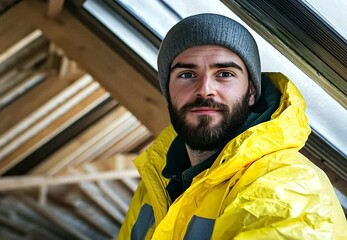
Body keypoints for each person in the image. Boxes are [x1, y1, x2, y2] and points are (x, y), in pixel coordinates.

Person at [118, 13, 347, 239]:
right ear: (168, 91)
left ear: (251, 93)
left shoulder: (292, 191)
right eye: (187, 74)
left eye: (224, 74)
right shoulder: (158, 180)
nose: (204, 89)